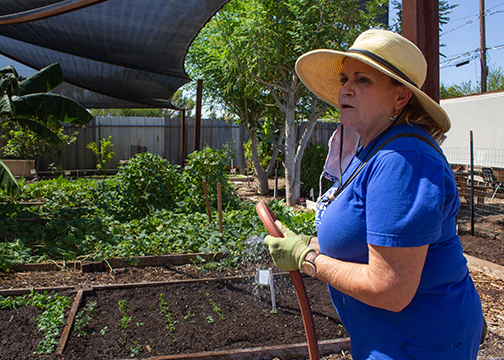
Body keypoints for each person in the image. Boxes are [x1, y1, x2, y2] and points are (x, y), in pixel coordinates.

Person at [264, 29, 484, 360]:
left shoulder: (404, 160)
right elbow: (367, 241)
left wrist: (307, 259)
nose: (347, 88)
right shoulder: (375, 151)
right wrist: (309, 242)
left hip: (420, 344)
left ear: (400, 97)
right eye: (345, 78)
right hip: (395, 337)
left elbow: (391, 289)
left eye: (363, 80)